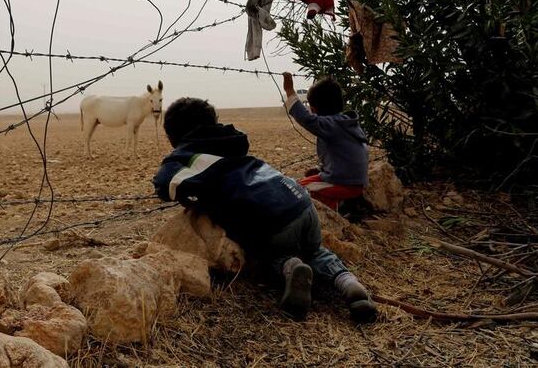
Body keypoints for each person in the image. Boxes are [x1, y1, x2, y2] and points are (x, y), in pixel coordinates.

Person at [152, 97, 377, 322]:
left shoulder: (188, 157)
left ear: (174, 137)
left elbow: (163, 184)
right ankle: (348, 282)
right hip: (300, 202)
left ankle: (289, 267)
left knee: (263, 255)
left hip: (272, 220)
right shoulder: (232, 139)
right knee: (315, 250)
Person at [283, 73, 370, 218]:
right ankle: (349, 200)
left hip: (343, 184)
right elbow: (344, 155)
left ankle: (341, 207)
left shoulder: (330, 125)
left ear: (313, 109)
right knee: (297, 184)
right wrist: (320, 169)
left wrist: (290, 92)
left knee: (298, 192)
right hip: (350, 181)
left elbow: (306, 119)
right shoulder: (347, 122)